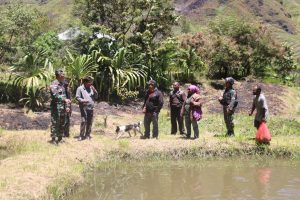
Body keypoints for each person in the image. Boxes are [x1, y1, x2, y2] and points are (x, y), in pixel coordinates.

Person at [49, 69, 71, 144]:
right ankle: (53, 139)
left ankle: (60, 138)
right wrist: (64, 100)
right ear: (59, 76)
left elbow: (67, 96)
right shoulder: (54, 84)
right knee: (55, 122)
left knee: (62, 122)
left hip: (63, 107)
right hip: (56, 107)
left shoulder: (64, 84)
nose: (64, 76)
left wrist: (67, 106)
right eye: (62, 75)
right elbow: (55, 95)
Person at [76, 76, 98, 140]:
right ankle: (81, 135)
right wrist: (83, 100)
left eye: (91, 83)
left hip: (91, 107)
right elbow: (77, 97)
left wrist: (95, 91)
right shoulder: (80, 88)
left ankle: (87, 135)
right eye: (89, 83)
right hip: (84, 107)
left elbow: (96, 97)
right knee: (84, 121)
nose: (91, 84)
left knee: (89, 121)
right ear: (85, 82)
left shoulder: (91, 88)